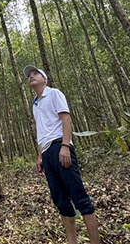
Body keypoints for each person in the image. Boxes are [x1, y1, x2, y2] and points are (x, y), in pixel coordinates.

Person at [24, 64, 100, 244]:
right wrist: (40, 156)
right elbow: (41, 131)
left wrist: (65, 146)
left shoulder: (54, 93)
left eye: (35, 74)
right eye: (29, 75)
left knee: (79, 197)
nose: (31, 76)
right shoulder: (35, 105)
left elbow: (66, 119)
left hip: (60, 146)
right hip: (47, 152)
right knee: (61, 201)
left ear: (45, 79)